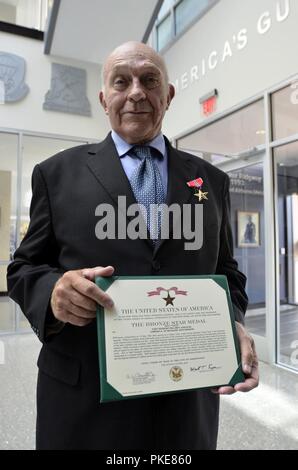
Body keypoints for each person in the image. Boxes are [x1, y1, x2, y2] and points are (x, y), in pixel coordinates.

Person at [7, 41, 258, 450]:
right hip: (84, 403)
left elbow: (228, 272)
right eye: (122, 81)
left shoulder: (212, 182)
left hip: (185, 403)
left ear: (169, 95)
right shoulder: (56, 175)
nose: (136, 92)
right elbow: (23, 269)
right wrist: (53, 292)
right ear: (104, 98)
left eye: (150, 80)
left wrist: (232, 321)